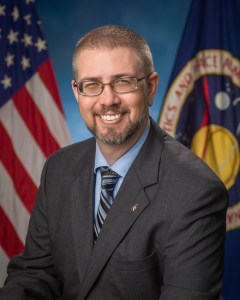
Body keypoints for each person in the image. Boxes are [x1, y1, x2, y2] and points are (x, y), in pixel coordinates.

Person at [0, 25, 228, 300]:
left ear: (150, 87)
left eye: (123, 81)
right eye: (92, 84)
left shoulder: (195, 191)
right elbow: (36, 275)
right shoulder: (58, 169)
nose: (107, 100)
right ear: (77, 92)